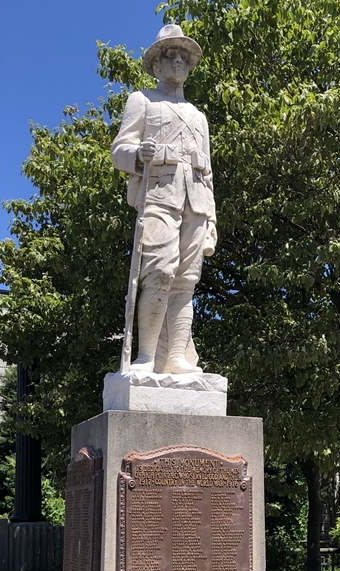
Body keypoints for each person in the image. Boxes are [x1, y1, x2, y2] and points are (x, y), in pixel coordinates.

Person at [111, 24, 217, 374]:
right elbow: (119, 150)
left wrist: (212, 221)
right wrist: (137, 155)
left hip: (195, 203)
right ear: (156, 65)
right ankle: (146, 357)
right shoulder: (141, 100)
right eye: (171, 55)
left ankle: (176, 358)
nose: (179, 61)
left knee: (186, 281)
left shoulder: (199, 117)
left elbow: (208, 174)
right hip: (158, 196)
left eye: (184, 56)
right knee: (159, 272)